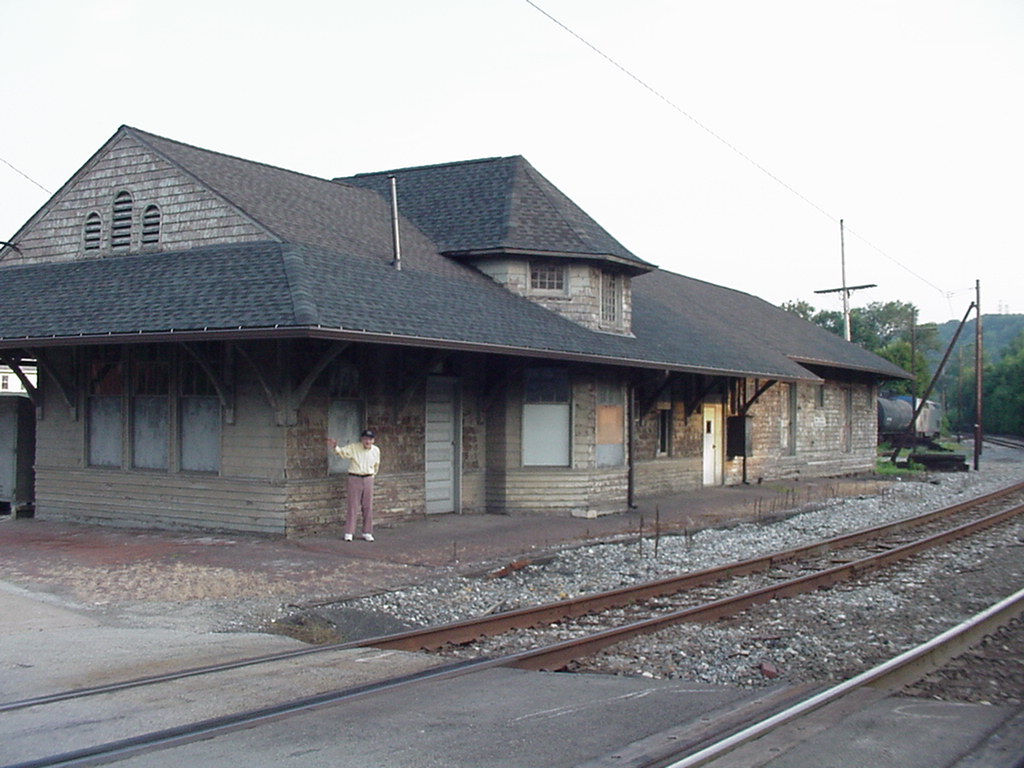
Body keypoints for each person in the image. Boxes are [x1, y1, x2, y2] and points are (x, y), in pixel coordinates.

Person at [326, 429, 380, 542]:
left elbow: (376, 465)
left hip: (368, 477)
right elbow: (342, 452)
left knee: (368, 506)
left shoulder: (376, 450)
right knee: (353, 505)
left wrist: (372, 475)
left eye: (370, 439)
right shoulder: (354, 447)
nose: (367, 441)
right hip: (355, 477)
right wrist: (336, 447)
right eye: (365, 439)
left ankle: (367, 532)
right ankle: (349, 532)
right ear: (362, 439)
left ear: (373, 440)